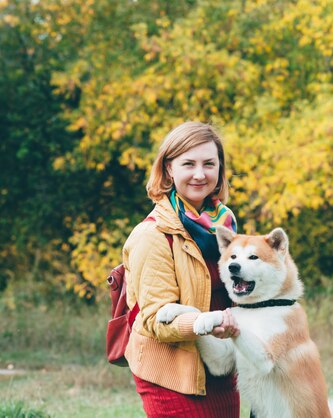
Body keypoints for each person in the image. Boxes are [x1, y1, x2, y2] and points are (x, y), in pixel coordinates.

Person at [123, 121, 241, 417]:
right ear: (168, 170)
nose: (200, 174)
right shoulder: (152, 235)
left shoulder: (226, 225)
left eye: (209, 164)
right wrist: (205, 324)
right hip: (173, 374)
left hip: (222, 365)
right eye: (189, 164)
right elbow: (154, 319)